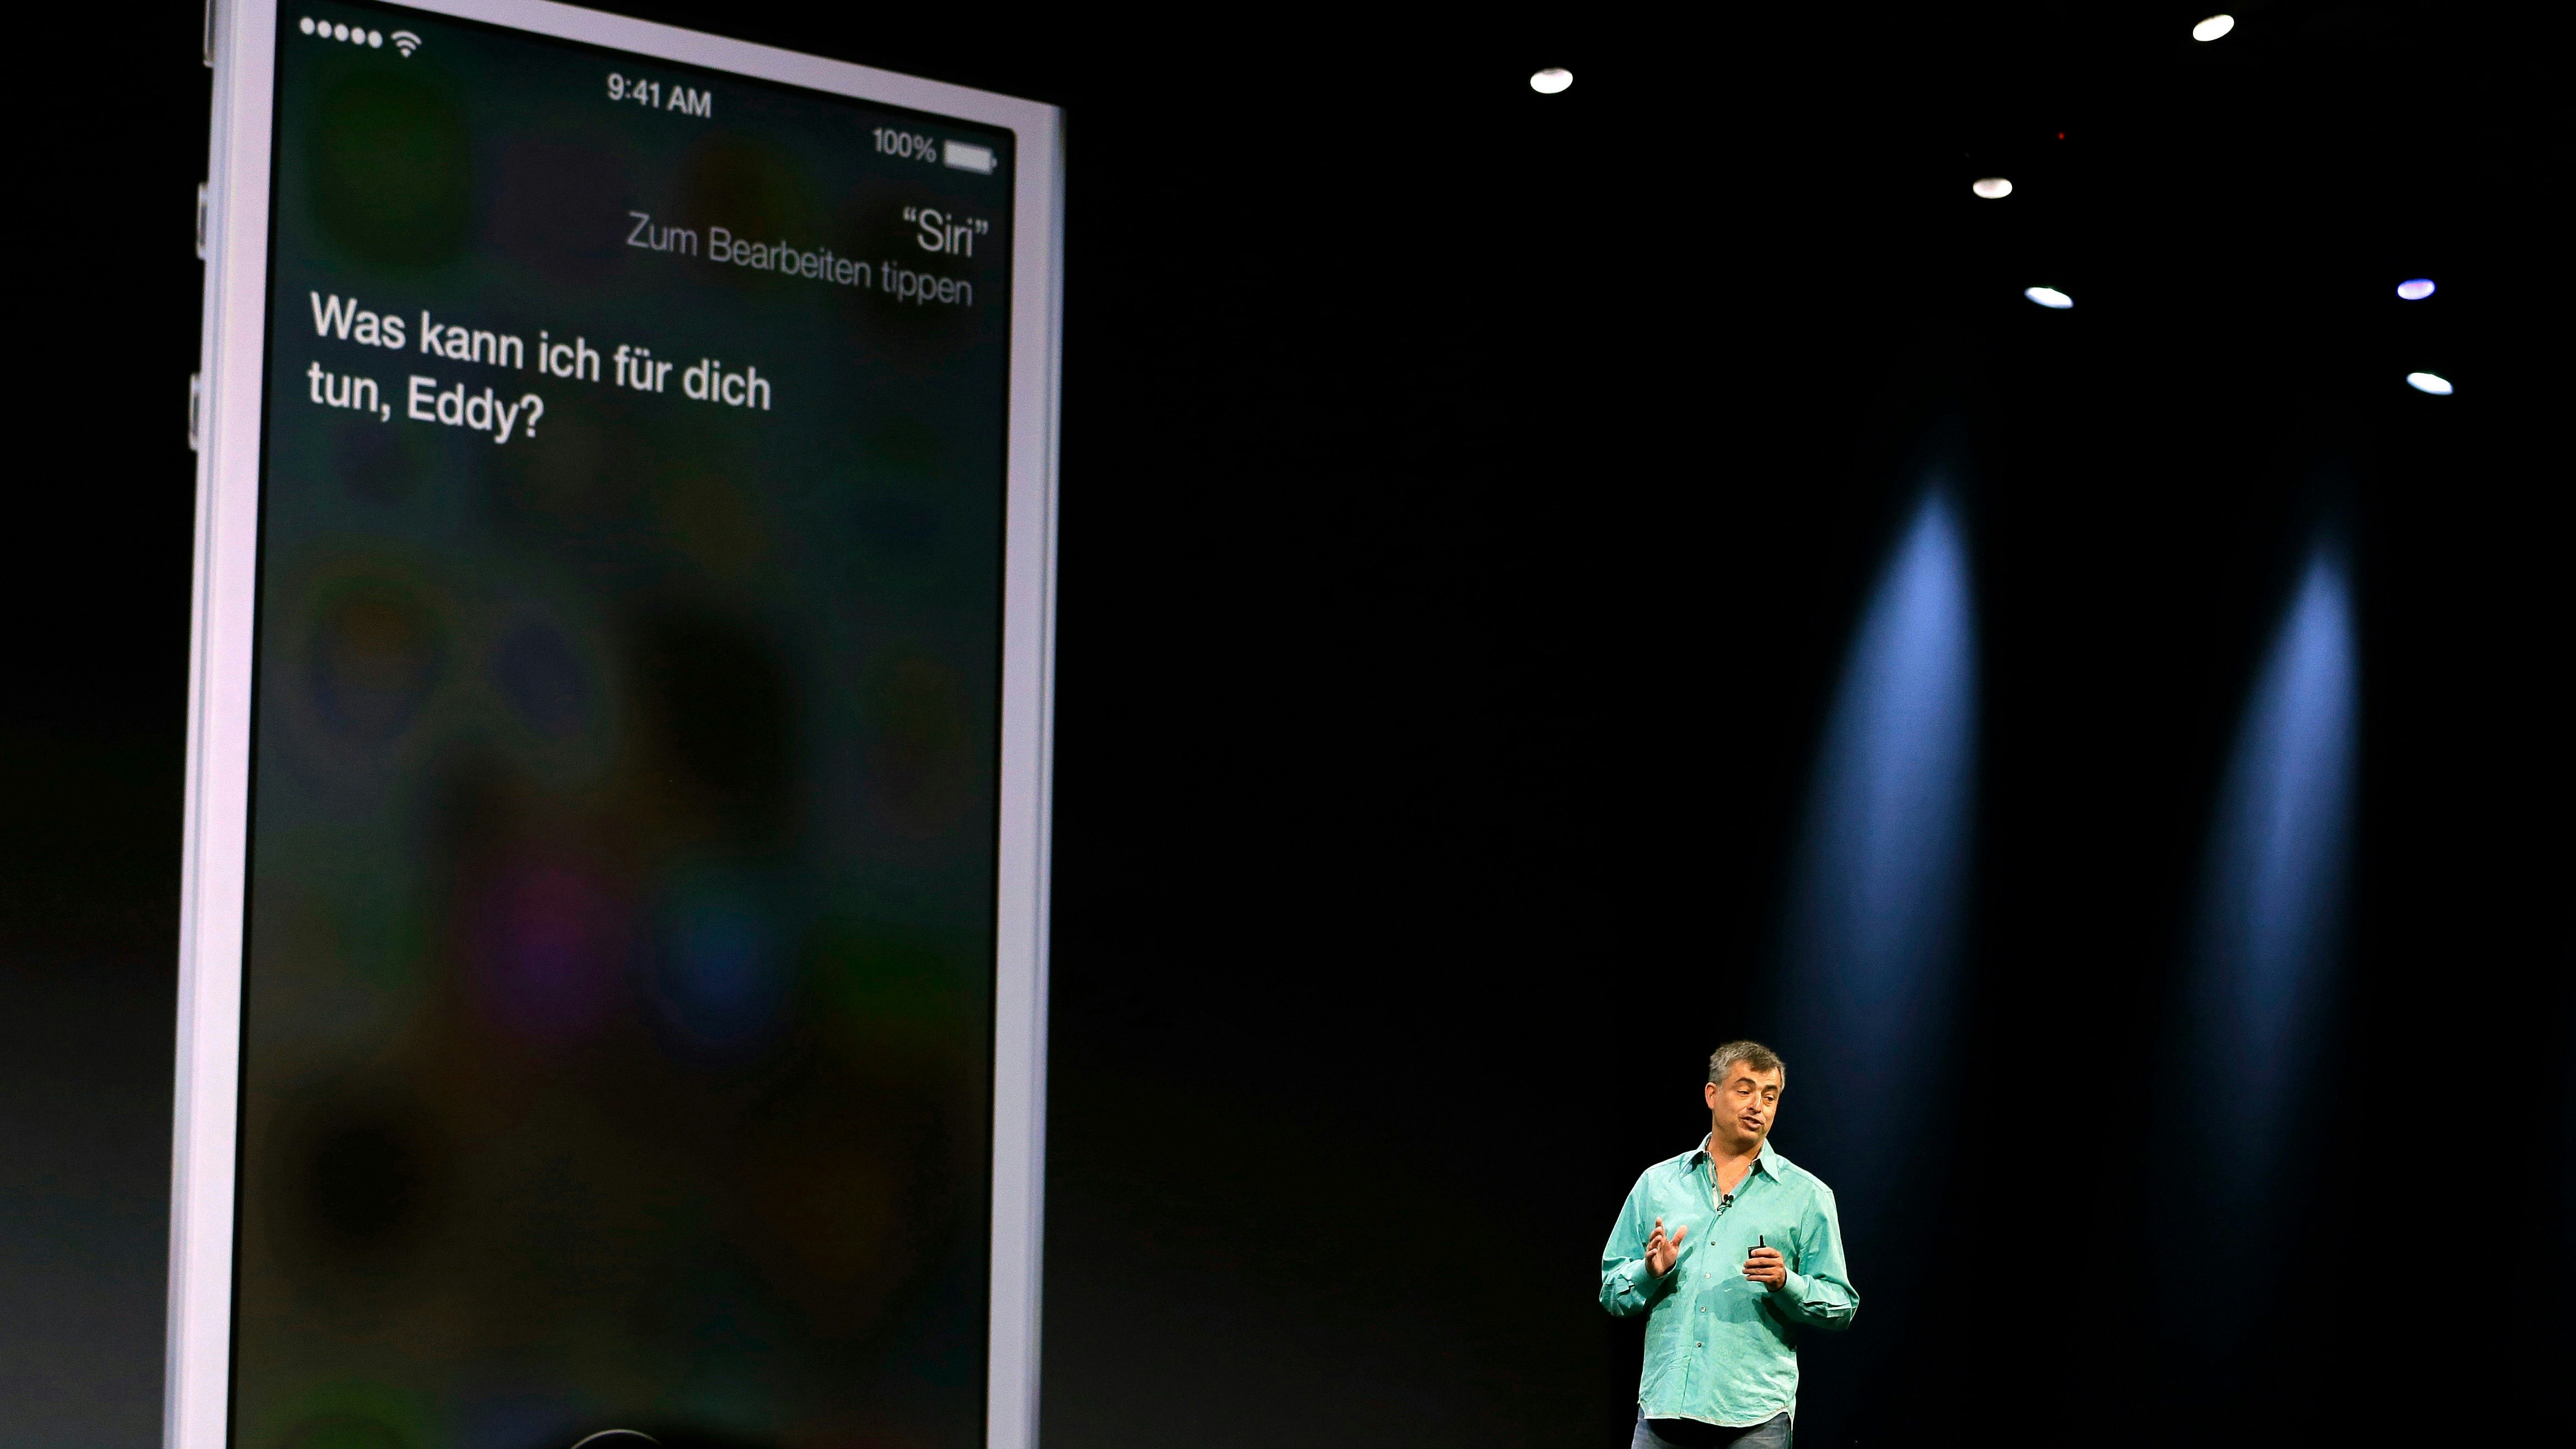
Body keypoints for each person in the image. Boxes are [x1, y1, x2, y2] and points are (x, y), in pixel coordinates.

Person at [1599, 1041, 1857, 1448]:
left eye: (1770, 1096)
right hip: (1665, 1410)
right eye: (1745, 1089)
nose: (1758, 1105)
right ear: (1712, 1094)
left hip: (1755, 1417)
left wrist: (1787, 1282)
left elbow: (1841, 1305)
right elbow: (1611, 1291)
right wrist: (1648, 1272)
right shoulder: (1658, 1184)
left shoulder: (1807, 1195)